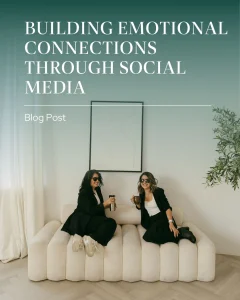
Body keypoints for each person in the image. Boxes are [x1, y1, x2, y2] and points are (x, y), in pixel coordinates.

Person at [62, 170, 117, 257]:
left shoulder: (97, 190)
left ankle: (90, 238)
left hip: (92, 219)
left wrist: (106, 206)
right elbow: (90, 210)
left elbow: (97, 208)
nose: (97, 181)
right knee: (110, 223)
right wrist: (104, 204)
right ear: (88, 179)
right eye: (94, 179)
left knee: (112, 223)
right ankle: (89, 238)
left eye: (98, 179)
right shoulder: (84, 192)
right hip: (83, 221)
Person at [131, 172, 196, 245]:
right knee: (147, 237)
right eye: (142, 180)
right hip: (151, 220)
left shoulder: (158, 192)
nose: (144, 182)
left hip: (162, 217)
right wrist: (137, 204)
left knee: (148, 236)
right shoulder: (141, 194)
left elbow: (167, 208)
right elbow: (141, 208)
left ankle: (181, 233)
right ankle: (181, 231)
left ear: (151, 181)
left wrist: (171, 223)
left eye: (147, 180)